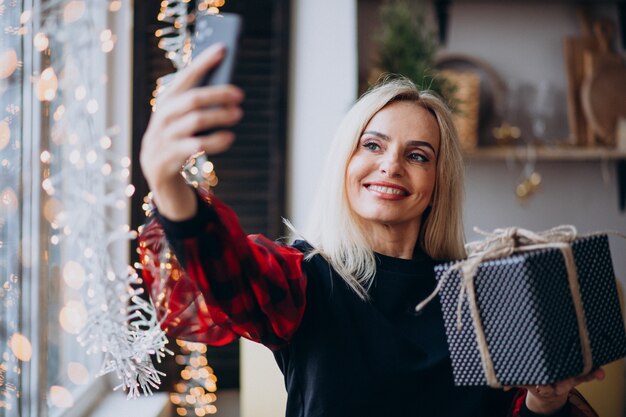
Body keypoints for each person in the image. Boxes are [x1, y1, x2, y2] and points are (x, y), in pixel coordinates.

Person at [139, 43, 604, 416]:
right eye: (372, 145)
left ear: (439, 180)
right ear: (346, 162)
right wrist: (167, 185)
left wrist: (546, 403)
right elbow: (228, 272)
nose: (390, 166)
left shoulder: (485, 294)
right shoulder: (305, 279)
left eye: (418, 155)